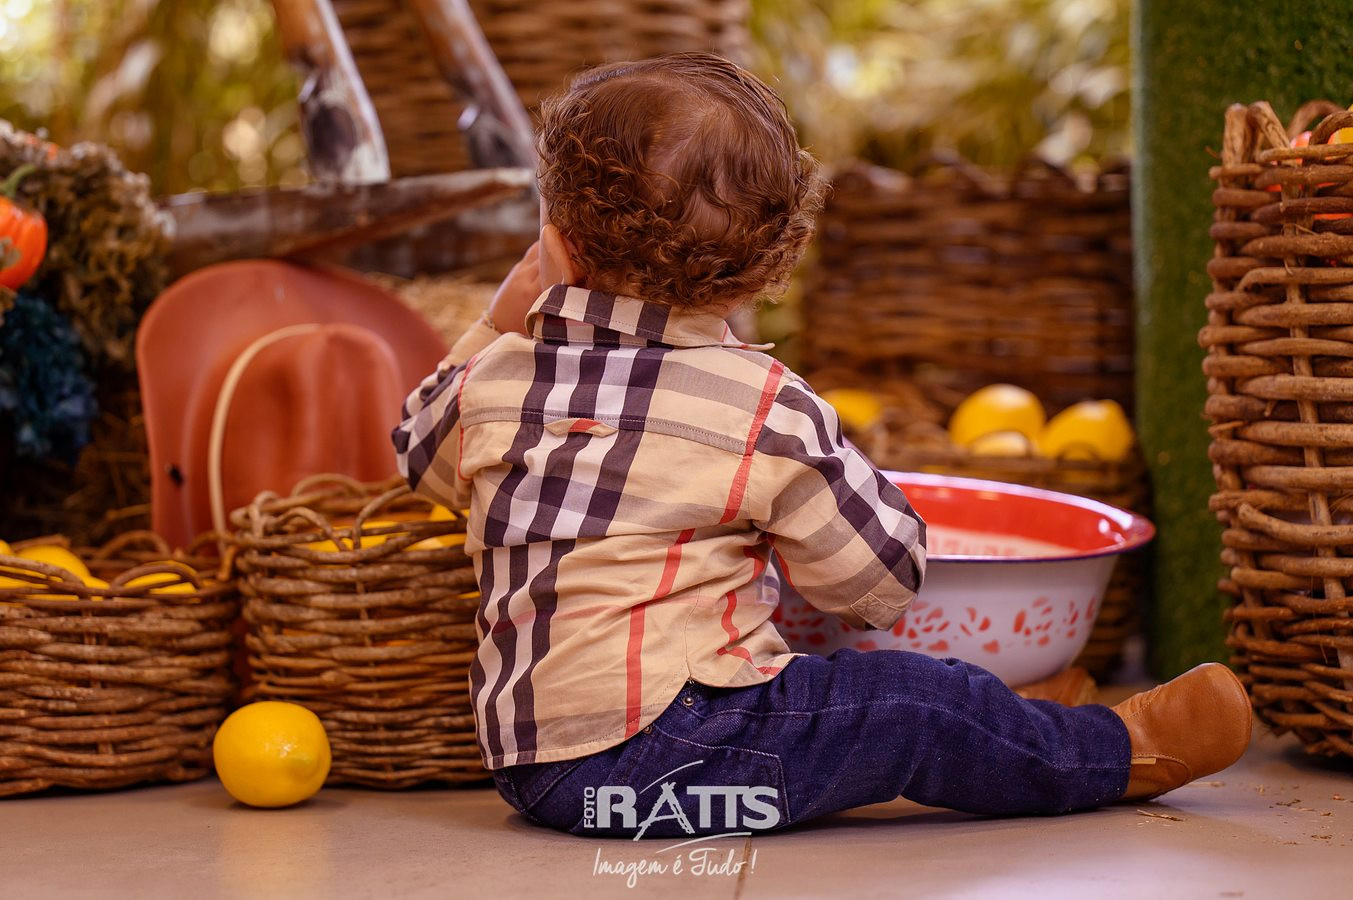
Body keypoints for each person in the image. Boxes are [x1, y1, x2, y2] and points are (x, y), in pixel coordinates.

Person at [392, 52, 1251, 839]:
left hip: (533, 768)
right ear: (769, 267)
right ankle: (1111, 751)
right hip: (662, 761)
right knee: (916, 706)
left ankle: (1016, 724)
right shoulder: (762, 405)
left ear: (556, 243)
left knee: (856, 697)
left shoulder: (499, 375)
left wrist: (495, 325)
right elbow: (878, 583)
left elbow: (418, 451)